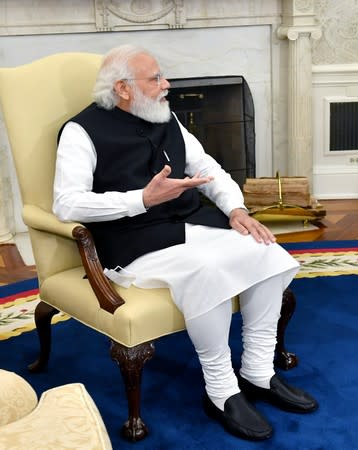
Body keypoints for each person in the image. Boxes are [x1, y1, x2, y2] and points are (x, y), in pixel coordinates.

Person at [53, 44, 318, 441]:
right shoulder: (80, 131)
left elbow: (206, 165)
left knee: (263, 249)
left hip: (191, 223)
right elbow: (66, 202)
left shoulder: (166, 116)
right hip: (133, 242)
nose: (167, 84)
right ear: (123, 88)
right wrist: (141, 199)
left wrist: (236, 210)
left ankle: (259, 372)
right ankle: (221, 390)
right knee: (207, 270)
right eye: (155, 78)